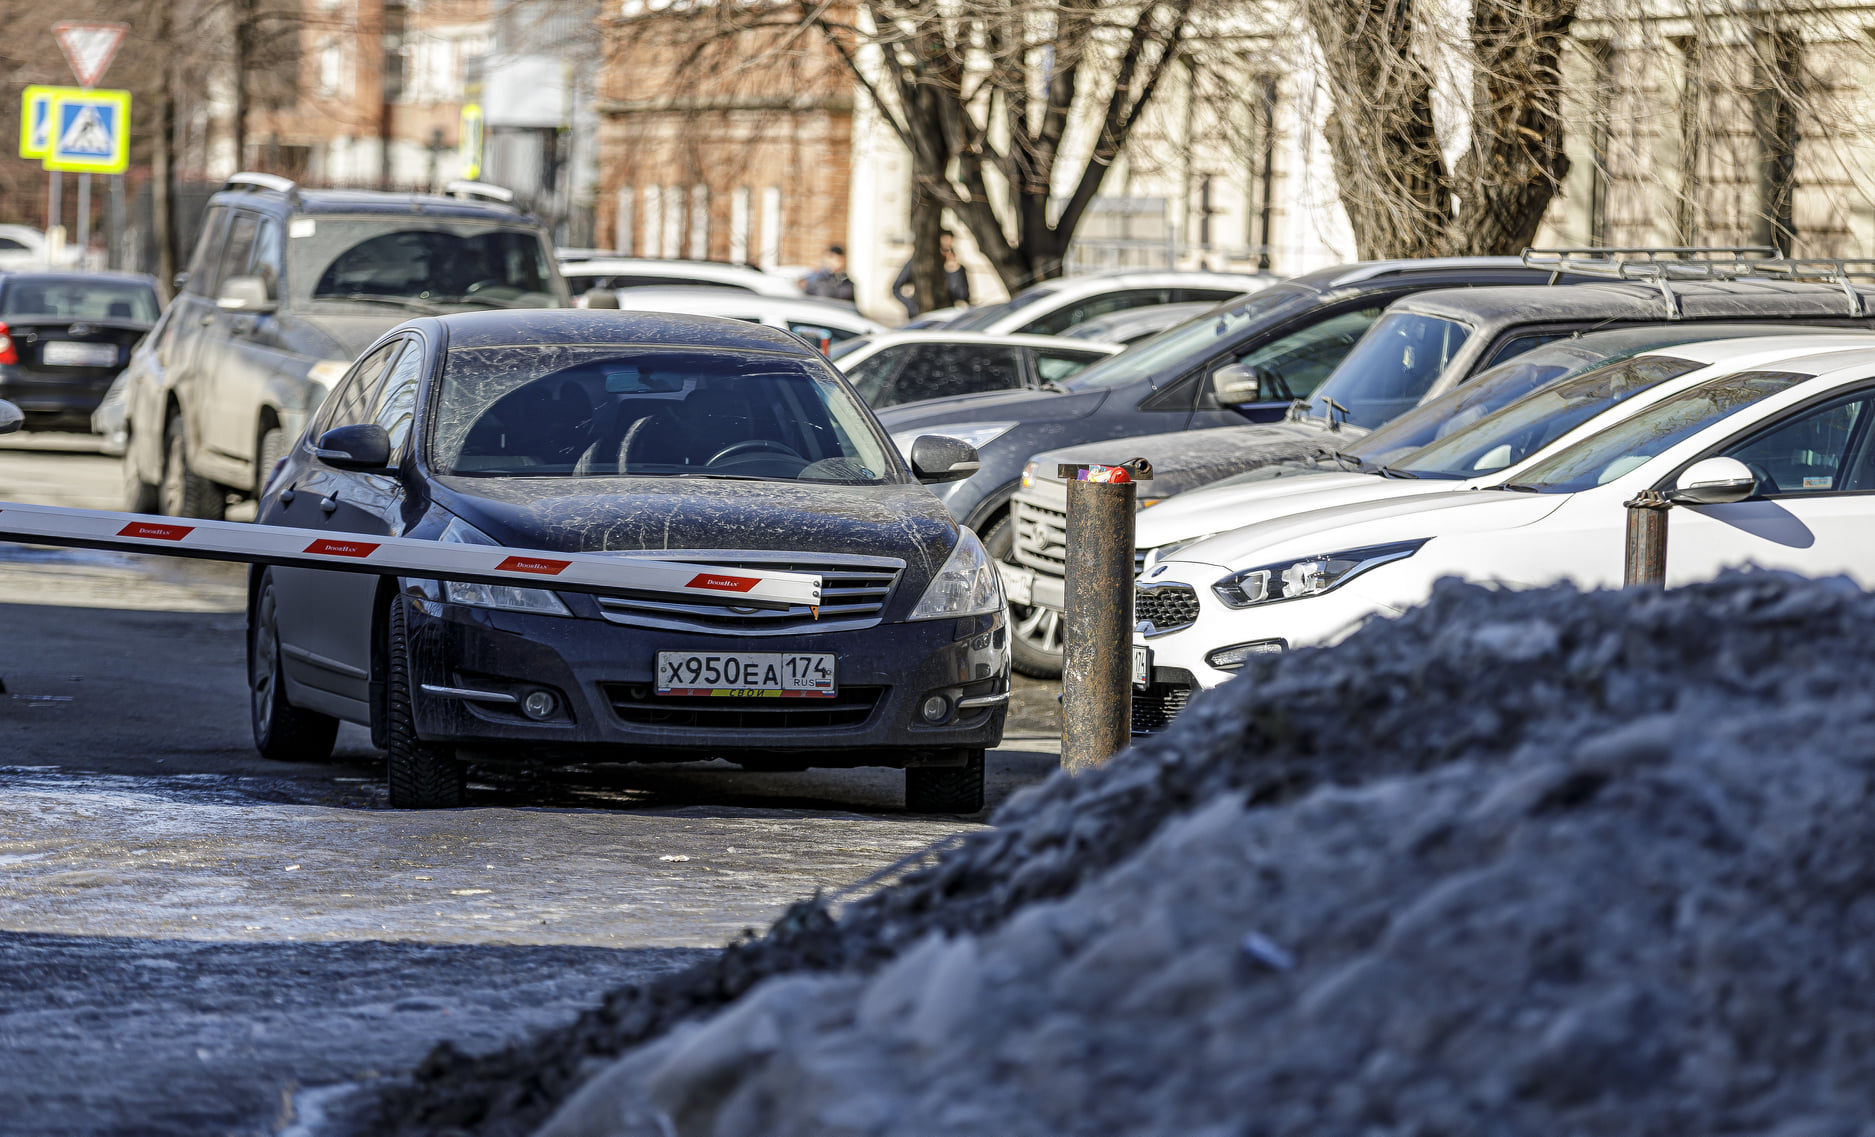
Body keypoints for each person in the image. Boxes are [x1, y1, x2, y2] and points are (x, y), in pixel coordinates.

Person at [893, 231, 970, 317]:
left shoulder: (955, 268)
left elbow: (962, 295)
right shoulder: (919, 263)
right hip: (921, 315)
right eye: (943, 249)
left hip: (945, 315)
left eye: (949, 249)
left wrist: (954, 272)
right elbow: (896, 288)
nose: (947, 253)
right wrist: (912, 306)